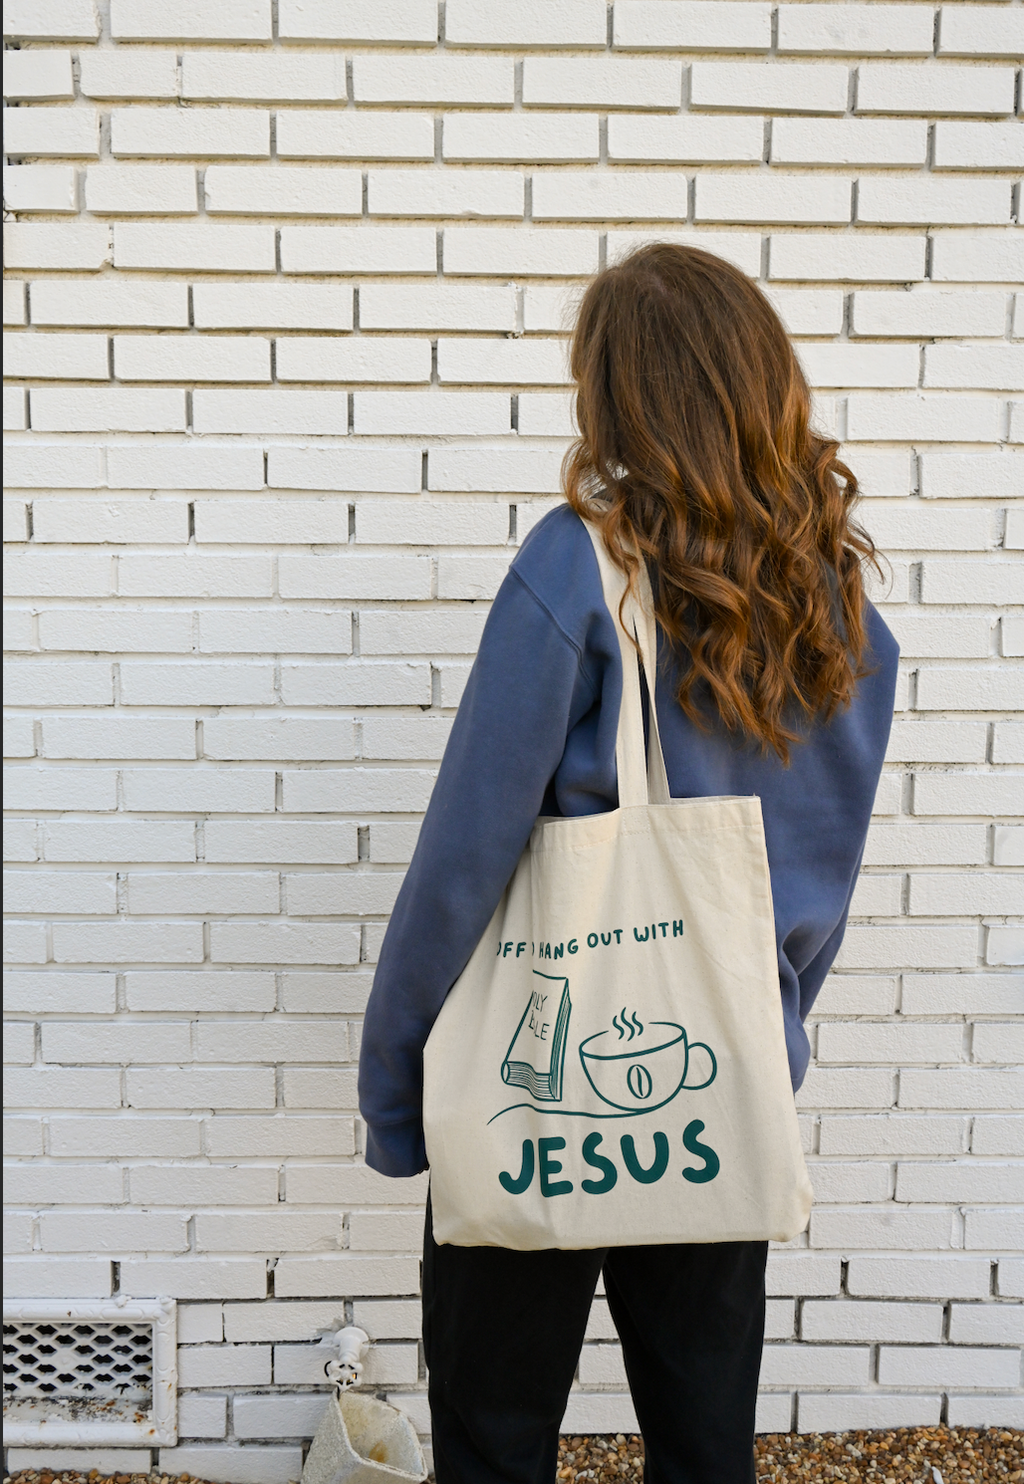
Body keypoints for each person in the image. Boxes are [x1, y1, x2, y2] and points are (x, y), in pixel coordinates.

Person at [358, 244, 899, 1484]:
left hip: (535, 1089)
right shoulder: (837, 607)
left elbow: (462, 864)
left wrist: (396, 1083)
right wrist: (765, 1024)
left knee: (494, 1438)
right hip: (719, 1078)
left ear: (618, 393)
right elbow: (814, 887)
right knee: (704, 1443)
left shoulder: (574, 567)